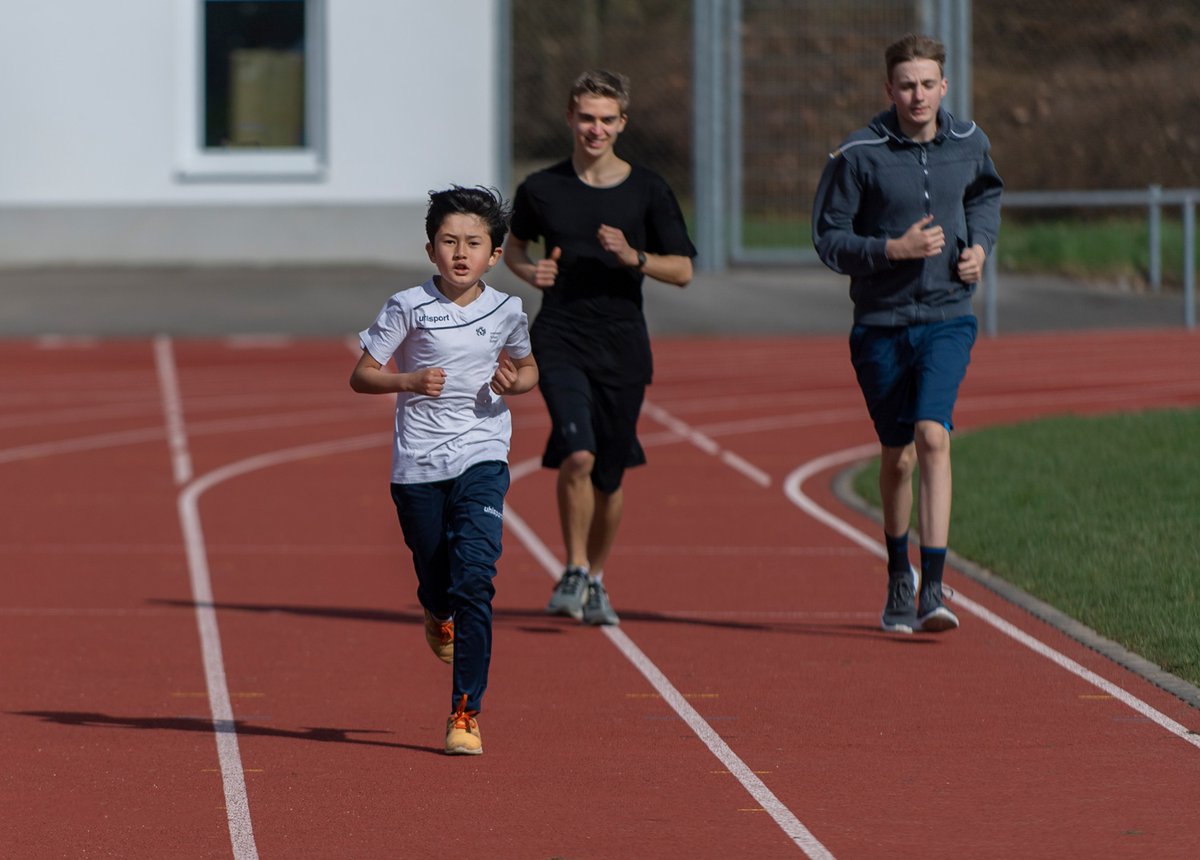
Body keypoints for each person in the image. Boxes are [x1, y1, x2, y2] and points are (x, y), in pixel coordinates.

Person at [812, 33, 1003, 634]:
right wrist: (892, 249)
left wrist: (980, 248)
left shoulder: (970, 142)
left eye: (927, 84)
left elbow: (985, 195)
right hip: (880, 325)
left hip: (947, 316)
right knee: (895, 458)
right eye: (906, 85)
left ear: (943, 86)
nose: (917, 95)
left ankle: (935, 587)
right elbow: (829, 238)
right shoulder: (857, 154)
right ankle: (900, 574)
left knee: (933, 436)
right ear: (888, 89)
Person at [504, 70, 696, 627]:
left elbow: (682, 270)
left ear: (622, 123)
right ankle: (573, 566)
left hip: (623, 344)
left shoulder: (649, 190)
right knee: (578, 454)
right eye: (586, 117)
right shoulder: (541, 188)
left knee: (609, 475)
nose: (595, 128)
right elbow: (512, 246)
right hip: (560, 335)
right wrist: (526, 270)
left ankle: (596, 579)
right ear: (570, 118)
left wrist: (634, 256)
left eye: (606, 119)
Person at [350, 185, 538, 755]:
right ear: (431, 250)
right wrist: (406, 381)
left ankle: (465, 713)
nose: (461, 253)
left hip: (483, 451)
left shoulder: (507, 311)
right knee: (438, 581)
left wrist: (515, 382)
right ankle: (436, 611)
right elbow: (363, 374)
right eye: (449, 241)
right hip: (418, 464)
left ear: (495, 253)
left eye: (473, 243)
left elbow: (528, 370)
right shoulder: (407, 306)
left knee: (476, 578)